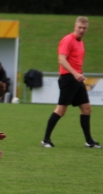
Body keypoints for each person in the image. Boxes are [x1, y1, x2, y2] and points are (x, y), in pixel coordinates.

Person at [41, 16, 101, 149]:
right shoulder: (68, 40)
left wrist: (79, 73)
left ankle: (89, 141)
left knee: (86, 109)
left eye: (84, 28)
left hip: (77, 79)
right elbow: (61, 60)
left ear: (87, 29)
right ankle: (45, 140)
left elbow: (76, 61)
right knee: (61, 110)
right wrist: (75, 73)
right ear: (75, 27)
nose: (81, 30)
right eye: (79, 27)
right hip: (68, 78)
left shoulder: (81, 43)